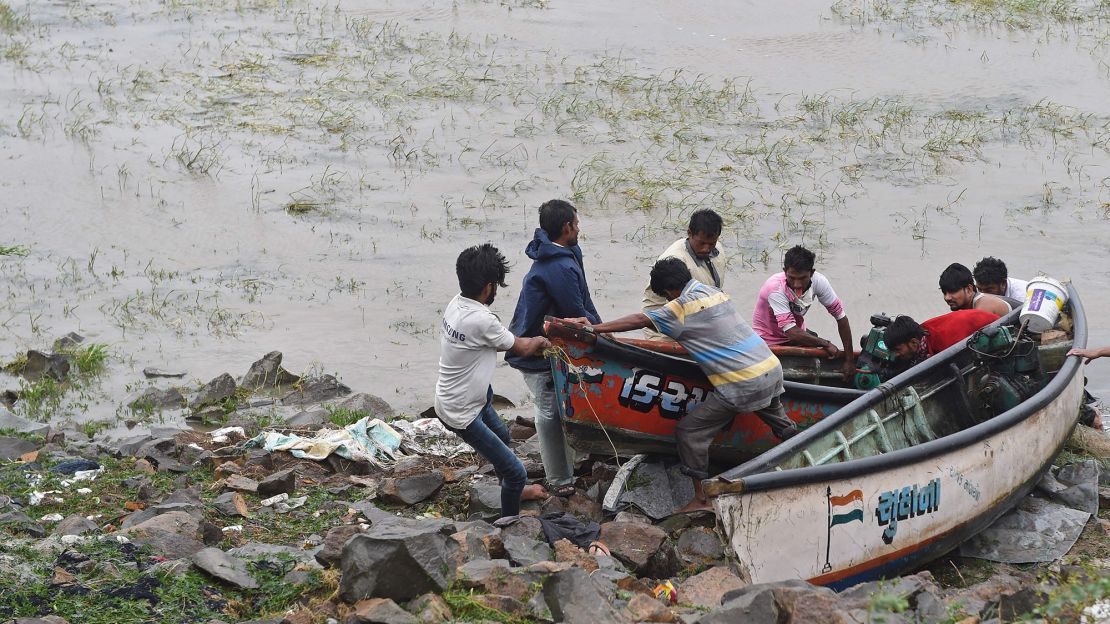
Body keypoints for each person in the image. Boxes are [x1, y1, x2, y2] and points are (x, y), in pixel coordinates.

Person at [571, 258, 797, 513]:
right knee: (783, 426)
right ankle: (803, 462)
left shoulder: (679, 308)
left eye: (666, 297)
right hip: (770, 367)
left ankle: (701, 499)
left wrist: (595, 329)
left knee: (690, 433)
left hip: (742, 382)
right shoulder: (711, 291)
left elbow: (640, 319)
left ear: (668, 291)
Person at [434, 244, 549, 518]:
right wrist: (543, 340)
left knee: (503, 435)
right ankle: (509, 522)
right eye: (495, 284)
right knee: (516, 471)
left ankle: (512, 488)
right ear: (488, 287)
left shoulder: (456, 304)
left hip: (470, 397)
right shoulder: (482, 320)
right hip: (462, 413)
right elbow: (520, 346)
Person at [506, 199, 601, 497]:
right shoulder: (559, 266)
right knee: (548, 410)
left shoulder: (563, 254)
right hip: (538, 350)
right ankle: (560, 480)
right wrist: (602, 333)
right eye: (576, 224)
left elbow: (583, 305)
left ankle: (568, 466)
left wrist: (599, 327)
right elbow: (577, 309)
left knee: (561, 406)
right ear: (566, 228)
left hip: (546, 345)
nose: (579, 229)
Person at [752, 245, 855, 378]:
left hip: (796, 333)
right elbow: (792, 333)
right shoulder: (774, 289)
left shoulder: (819, 282)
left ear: (812, 273)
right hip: (769, 340)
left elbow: (841, 318)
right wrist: (826, 344)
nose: (797, 284)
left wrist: (849, 359)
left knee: (815, 337)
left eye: (802, 278)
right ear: (784, 271)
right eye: (791, 278)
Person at [641, 209, 724, 338]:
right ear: (689, 233)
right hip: (665, 334)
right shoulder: (675, 262)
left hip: (699, 326)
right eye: (701, 243)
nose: (706, 248)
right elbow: (653, 308)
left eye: (711, 243)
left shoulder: (718, 249)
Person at [883, 310, 1000, 365]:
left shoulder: (947, 343)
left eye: (897, 350)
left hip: (999, 329)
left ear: (914, 343)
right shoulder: (922, 331)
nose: (896, 354)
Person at [939, 263, 1018, 317]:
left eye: (953, 291)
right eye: (944, 292)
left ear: (969, 289)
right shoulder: (976, 304)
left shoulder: (984, 305)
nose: (947, 297)